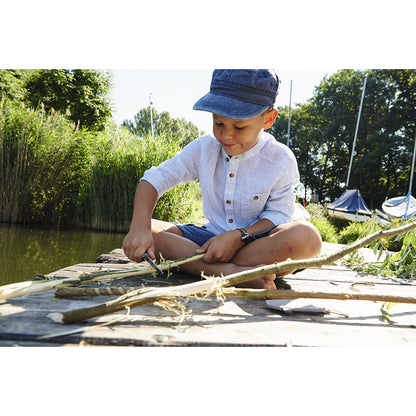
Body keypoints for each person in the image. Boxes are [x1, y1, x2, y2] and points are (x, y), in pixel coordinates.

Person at [123, 69, 322, 289]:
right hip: (209, 240)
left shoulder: (280, 159)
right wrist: (139, 228)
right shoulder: (204, 149)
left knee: (307, 237)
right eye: (219, 123)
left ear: (268, 118)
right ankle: (233, 273)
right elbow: (154, 179)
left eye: (239, 126)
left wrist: (239, 236)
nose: (226, 135)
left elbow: (278, 215)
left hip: (259, 243)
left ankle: (208, 267)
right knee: (148, 228)